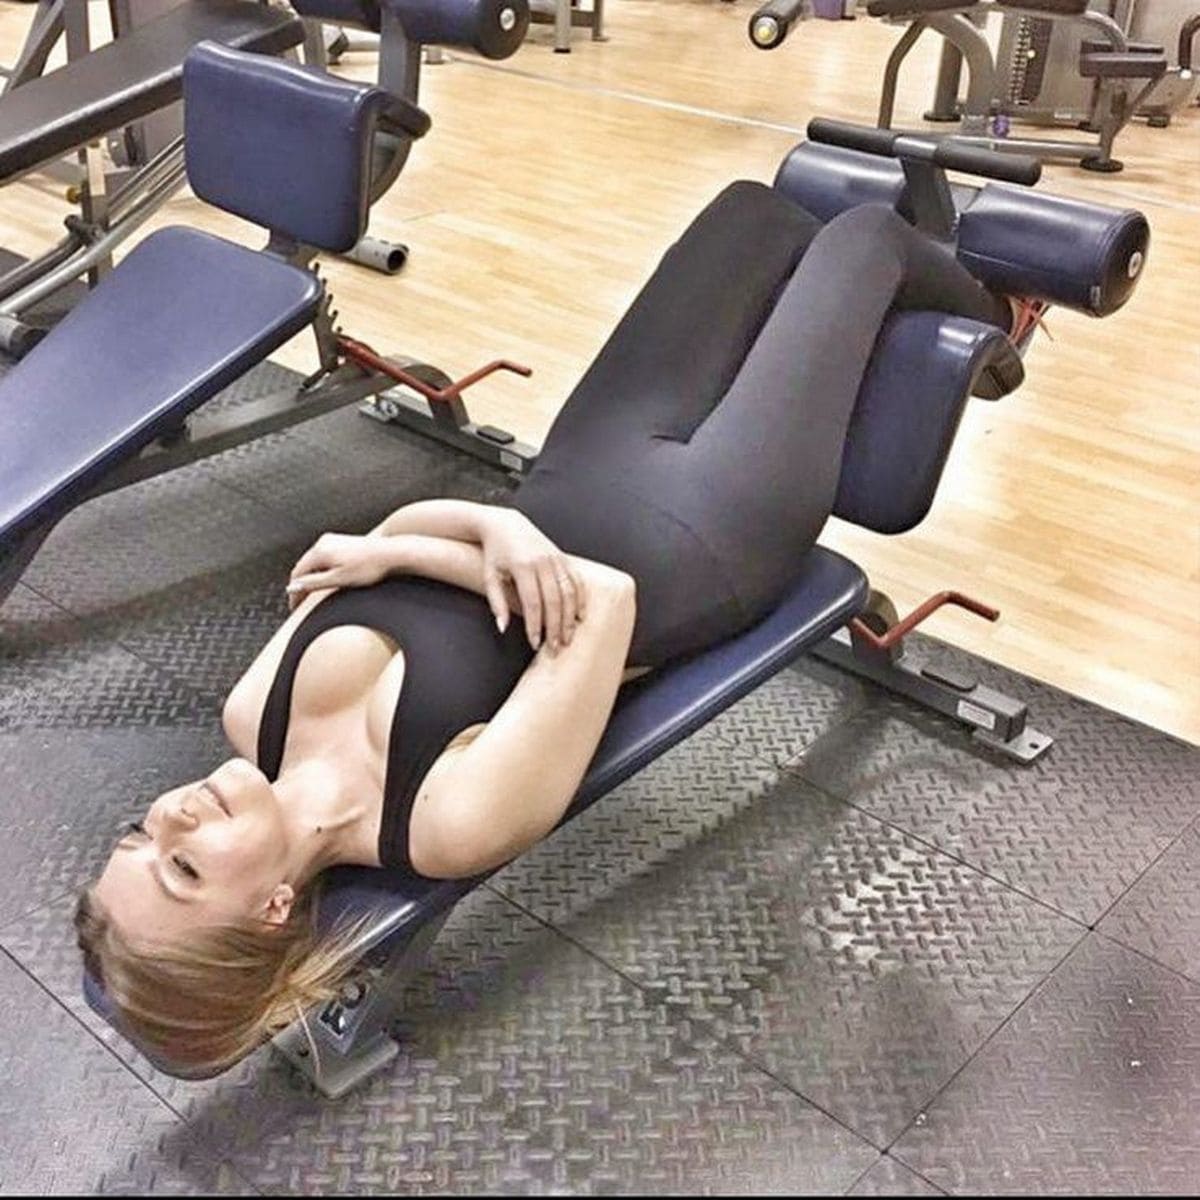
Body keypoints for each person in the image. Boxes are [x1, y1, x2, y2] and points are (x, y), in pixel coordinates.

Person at [76, 186, 1020, 1073]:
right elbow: (599, 607)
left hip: (573, 480)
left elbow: (392, 533)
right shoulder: (438, 827)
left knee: (755, 215)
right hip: (701, 543)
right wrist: (466, 540)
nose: (172, 816)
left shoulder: (254, 715)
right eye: (184, 868)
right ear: (273, 909)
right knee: (862, 238)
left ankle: (924, 271)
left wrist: (469, 538)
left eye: (139, 833)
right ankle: (998, 321)